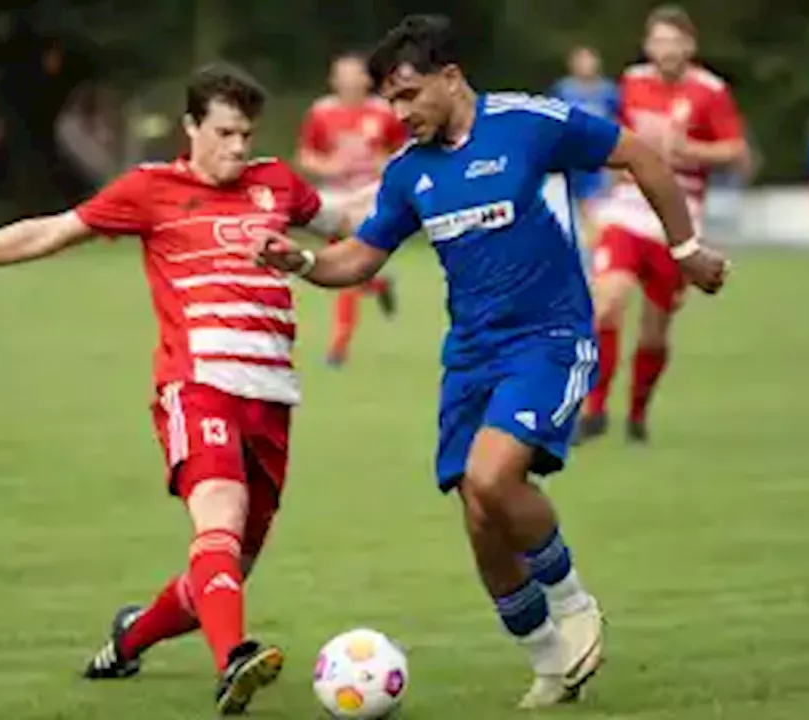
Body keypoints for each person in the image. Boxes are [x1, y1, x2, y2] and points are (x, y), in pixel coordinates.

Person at [250, 14, 729, 709]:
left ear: (450, 77)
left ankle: (573, 605)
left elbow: (644, 158)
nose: (400, 112)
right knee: (478, 510)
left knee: (492, 474)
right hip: (471, 356)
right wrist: (301, 261)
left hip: (551, 338)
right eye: (391, 100)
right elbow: (358, 257)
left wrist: (687, 253)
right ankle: (547, 664)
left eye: (410, 94)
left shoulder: (530, 124)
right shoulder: (410, 173)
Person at [0, 63, 365, 716]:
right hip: (198, 386)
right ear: (191, 127)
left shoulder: (276, 184)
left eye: (246, 134)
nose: (238, 148)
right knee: (219, 508)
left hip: (271, 400)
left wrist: (428, 179)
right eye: (224, 132)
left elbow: (348, 219)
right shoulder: (150, 190)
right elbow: (48, 231)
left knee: (224, 573)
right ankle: (233, 662)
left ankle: (128, 640)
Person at [577, 5, 749, 445]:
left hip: (677, 216)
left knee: (655, 329)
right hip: (628, 208)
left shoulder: (710, 91)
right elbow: (617, 136)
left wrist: (689, 149)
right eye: (658, 40)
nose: (666, 49)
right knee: (605, 301)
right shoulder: (632, 82)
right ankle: (595, 412)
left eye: (674, 41)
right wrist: (606, 181)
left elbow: (734, 151)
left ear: (689, 46)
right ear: (648, 45)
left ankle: (637, 414)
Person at [297, 51, 409, 367]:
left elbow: (406, 153)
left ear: (365, 79)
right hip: (334, 196)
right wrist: (327, 166)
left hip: (369, 196)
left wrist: (383, 164)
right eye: (342, 75)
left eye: (354, 74)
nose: (349, 81)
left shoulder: (383, 111)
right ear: (333, 80)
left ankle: (338, 346)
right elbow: (306, 156)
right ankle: (377, 283)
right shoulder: (321, 112)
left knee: (347, 259)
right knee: (348, 265)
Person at [549, 45, 620, 245]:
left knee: (595, 208)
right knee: (572, 211)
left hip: (598, 160)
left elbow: (617, 121)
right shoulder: (563, 89)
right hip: (570, 159)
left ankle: (599, 249)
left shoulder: (608, 91)